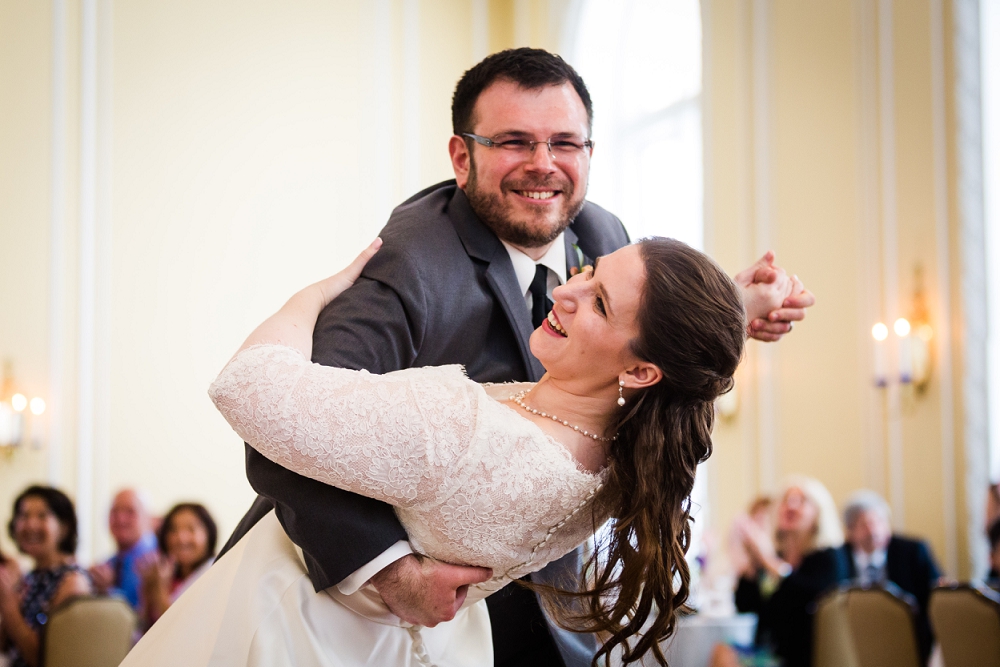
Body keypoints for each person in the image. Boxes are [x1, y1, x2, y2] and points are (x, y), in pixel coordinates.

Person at [217, 48, 815, 667]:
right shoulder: (410, 264)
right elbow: (282, 420)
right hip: (359, 617)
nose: (543, 166)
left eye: (565, 143)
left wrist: (728, 310)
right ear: (462, 155)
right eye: (514, 141)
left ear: (589, 152)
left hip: (545, 598)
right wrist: (389, 570)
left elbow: (633, 345)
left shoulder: (602, 235)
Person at [122, 231, 789, 667]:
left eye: (597, 302)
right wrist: (733, 306)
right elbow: (667, 355)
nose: (563, 290)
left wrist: (312, 295)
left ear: (644, 370)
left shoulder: (464, 431)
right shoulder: (619, 455)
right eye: (585, 272)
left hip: (295, 628)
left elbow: (247, 386)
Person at [735, 476, 846, 667]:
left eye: (802, 500)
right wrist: (753, 564)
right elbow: (745, 605)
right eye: (786, 500)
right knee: (722, 652)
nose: (791, 505)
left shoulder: (828, 556)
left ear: (818, 514)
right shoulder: (776, 555)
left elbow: (809, 597)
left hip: (807, 655)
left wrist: (768, 561)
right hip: (771, 650)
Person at [840, 490, 940, 662]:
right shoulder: (837, 558)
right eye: (864, 524)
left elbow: (935, 595)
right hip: (854, 643)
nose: (873, 531)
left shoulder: (913, 552)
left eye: (879, 522)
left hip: (909, 640)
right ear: (850, 531)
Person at [0, 486, 91, 667]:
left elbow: (48, 660)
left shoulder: (72, 581)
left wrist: (9, 608)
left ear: (64, 528)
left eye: (42, 516)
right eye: (24, 516)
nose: (30, 524)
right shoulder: (30, 577)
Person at [138, 503, 217, 627]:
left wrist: (160, 591)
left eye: (191, 529)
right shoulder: (169, 577)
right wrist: (148, 589)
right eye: (173, 530)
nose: (181, 538)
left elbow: (182, 632)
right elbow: (145, 628)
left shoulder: (214, 576)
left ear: (209, 534)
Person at [88, 489, 158, 611]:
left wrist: (108, 591)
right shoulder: (107, 564)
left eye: (130, 512)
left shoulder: (158, 559)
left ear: (148, 518)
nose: (121, 519)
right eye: (114, 512)